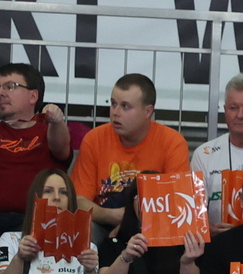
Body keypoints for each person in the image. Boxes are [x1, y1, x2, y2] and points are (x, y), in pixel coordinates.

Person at [69, 72, 191, 234]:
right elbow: (78, 201)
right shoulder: (94, 139)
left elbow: (178, 205)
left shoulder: (172, 143)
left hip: (152, 229)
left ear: (148, 111)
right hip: (103, 224)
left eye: (125, 106)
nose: (115, 112)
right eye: (113, 104)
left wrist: (131, 220)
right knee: (79, 229)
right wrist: (112, 216)